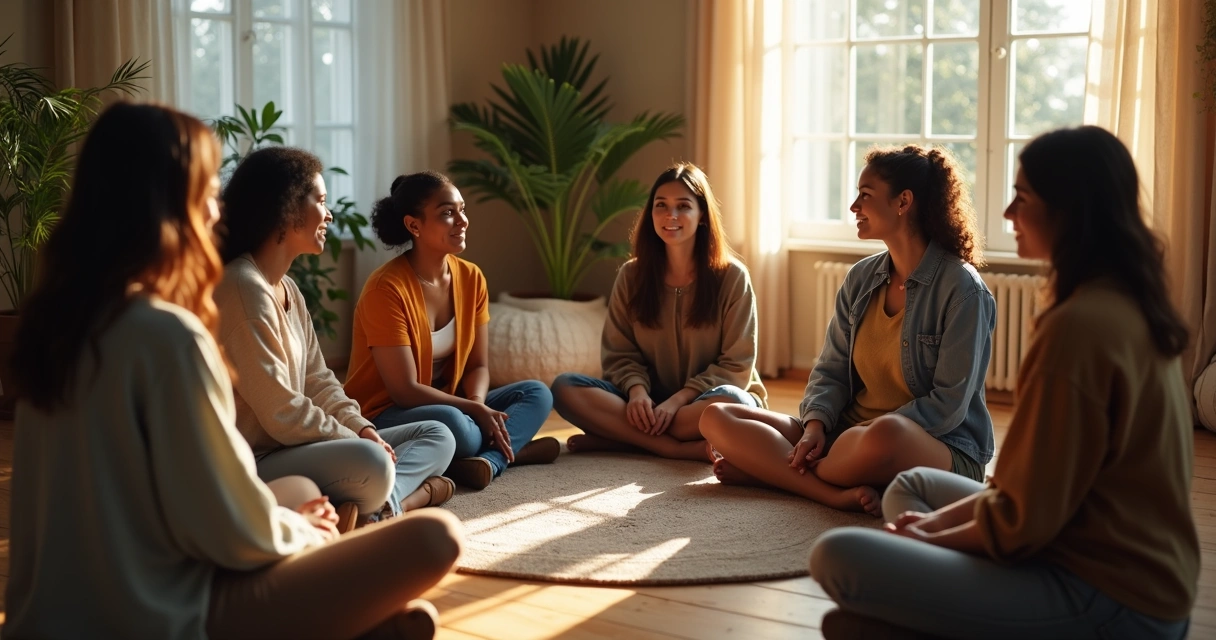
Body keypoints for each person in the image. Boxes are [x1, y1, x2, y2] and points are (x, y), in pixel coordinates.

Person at [5, 103, 461, 639]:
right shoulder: (166, 333)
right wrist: (302, 532)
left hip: (45, 622)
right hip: (162, 618)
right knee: (436, 539)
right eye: (205, 195)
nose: (217, 214)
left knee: (296, 490)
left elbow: (175, 504)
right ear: (167, 207)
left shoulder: (54, 329)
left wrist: (330, 460)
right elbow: (220, 527)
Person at [810, 126, 1199, 639]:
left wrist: (927, 540)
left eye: (1022, 197)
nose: (1008, 213)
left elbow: (1023, 521)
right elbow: (1028, 495)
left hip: (1112, 596)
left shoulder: (1077, 328)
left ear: (1069, 209)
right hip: (1125, 570)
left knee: (839, 557)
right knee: (911, 489)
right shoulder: (1129, 303)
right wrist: (928, 530)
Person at [699, 145, 995, 515]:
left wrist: (860, 438)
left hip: (933, 446)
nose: (855, 207)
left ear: (903, 202)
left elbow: (948, 406)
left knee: (887, 434)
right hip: (844, 438)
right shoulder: (861, 278)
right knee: (716, 414)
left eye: (866, 196)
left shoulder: (964, 290)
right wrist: (815, 428)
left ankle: (776, 472)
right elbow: (831, 370)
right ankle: (828, 491)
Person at [216, 146, 457, 521]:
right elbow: (281, 412)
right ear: (287, 208)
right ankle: (397, 499)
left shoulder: (287, 288)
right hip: (258, 461)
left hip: (296, 448)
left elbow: (320, 380)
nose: (328, 214)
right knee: (373, 463)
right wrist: (354, 440)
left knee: (438, 435)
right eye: (322, 201)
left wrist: (361, 426)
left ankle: (380, 507)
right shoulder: (243, 288)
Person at [344, 171, 558, 491]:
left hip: (452, 401)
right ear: (413, 226)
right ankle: (512, 451)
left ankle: (488, 461)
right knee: (459, 426)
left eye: (462, 209)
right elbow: (404, 390)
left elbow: (478, 366)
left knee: (537, 393)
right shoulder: (385, 289)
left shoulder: (472, 278)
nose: (462, 221)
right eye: (447, 213)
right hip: (385, 413)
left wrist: (477, 402)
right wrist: (473, 411)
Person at [551, 163, 768, 462]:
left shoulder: (732, 277)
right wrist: (638, 392)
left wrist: (679, 401)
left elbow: (736, 365)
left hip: (701, 403)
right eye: (661, 205)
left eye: (683, 206)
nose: (671, 216)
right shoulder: (631, 275)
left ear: (702, 215)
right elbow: (618, 354)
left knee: (732, 403)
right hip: (648, 402)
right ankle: (672, 447)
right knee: (565, 388)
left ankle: (625, 439)